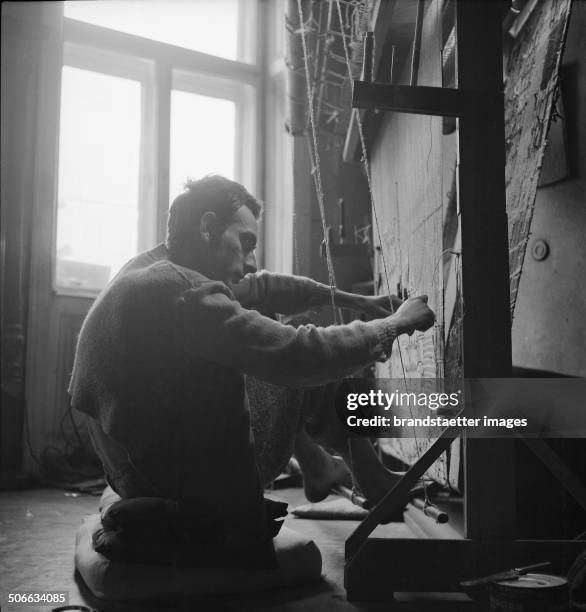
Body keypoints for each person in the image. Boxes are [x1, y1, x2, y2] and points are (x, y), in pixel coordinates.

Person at [69, 174, 435, 566]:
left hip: (133, 465)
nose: (252, 261)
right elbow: (294, 353)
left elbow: (263, 287)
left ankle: (319, 466)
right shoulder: (183, 293)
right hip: (174, 480)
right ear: (208, 226)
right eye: (245, 243)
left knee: (264, 320)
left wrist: (351, 300)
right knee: (308, 351)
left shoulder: (151, 269)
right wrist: (392, 324)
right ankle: (361, 473)